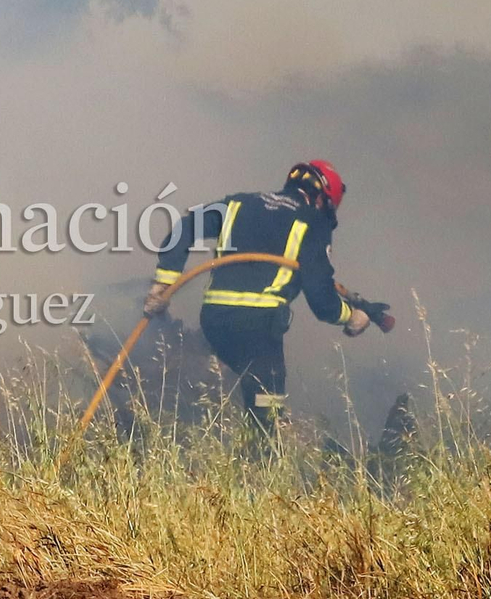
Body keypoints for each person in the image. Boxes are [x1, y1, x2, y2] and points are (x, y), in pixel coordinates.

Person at [145, 160, 389, 428]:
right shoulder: (313, 221)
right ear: (321, 199)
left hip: (214, 320)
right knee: (267, 409)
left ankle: (218, 426)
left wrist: (164, 283)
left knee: (245, 386)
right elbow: (321, 299)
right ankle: (263, 456)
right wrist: (351, 317)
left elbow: (184, 227)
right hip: (258, 327)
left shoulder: (238, 204)